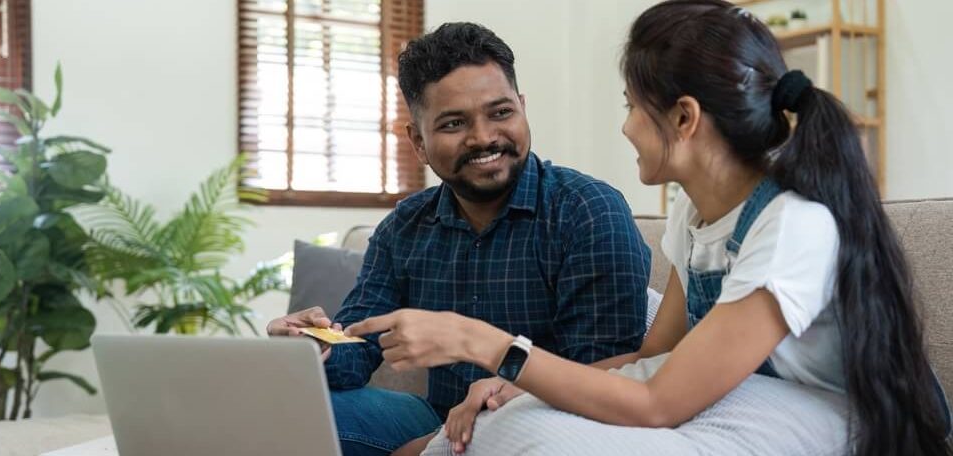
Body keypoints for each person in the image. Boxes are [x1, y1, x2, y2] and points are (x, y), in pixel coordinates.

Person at [345, 1, 953, 454]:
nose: (627, 127)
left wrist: (485, 345)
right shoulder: (695, 213)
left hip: (848, 419)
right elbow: (656, 357)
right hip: (749, 396)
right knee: (507, 425)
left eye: (632, 106)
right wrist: (513, 385)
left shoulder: (793, 226)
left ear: (683, 118)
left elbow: (660, 400)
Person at [266, 22, 653, 456]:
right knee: (278, 412)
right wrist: (312, 350)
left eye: (501, 112)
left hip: (545, 420)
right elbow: (358, 346)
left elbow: (605, 376)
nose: (484, 137)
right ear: (418, 141)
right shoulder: (405, 226)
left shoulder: (587, 211)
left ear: (522, 108)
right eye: (454, 123)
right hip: (438, 419)